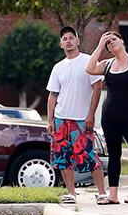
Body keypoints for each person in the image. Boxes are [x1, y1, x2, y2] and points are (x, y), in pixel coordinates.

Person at [87, 31, 128, 204]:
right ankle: (113, 195)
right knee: (114, 155)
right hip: (110, 117)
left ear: (122, 41)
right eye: (108, 43)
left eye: (113, 40)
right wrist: (100, 45)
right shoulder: (107, 64)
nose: (111, 44)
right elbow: (90, 68)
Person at [45, 26, 108, 205]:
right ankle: (71, 193)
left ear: (78, 41)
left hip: (81, 119)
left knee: (89, 156)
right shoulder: (58, 67)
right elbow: (53, 95)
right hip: (61, 119)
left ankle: (102, 193)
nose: (68, 41)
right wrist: (50, 120)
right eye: (65, 38)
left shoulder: (88, 62)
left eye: (71, 38)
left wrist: (91, 115)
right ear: (61, 44)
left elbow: (97, 88)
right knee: (62, 158)